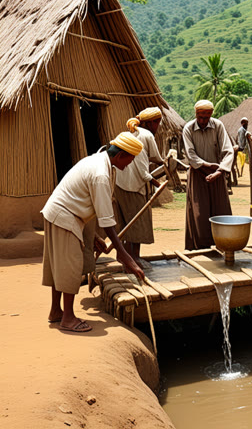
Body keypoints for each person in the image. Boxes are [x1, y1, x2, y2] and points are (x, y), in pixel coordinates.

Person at [42, 132, 145, 333]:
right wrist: (125, 257)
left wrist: (95, 237)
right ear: (120, 155)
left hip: (59, 214)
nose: (129, 165)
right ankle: (68, 318)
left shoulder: (100, 161)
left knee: (59, 265)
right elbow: (107, 220)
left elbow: (86, 202)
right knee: (70, 266)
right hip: (64, 217)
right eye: (130, 160)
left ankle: (56, 311)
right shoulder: (101, 174)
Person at [115, 107, 164, 267]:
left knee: (125, 222)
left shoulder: (128, 134)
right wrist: (160, 180)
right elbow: (154, 160)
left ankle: (124, 256)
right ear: (151, 122)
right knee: (137, 222)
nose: (158, 126)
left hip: (119, 184)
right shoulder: (146, 135)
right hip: (135, 185)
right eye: (157, 123)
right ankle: (133, 258)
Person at [183, 100, 234, 250]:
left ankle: (222, 245)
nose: (203, 121)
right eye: (200, 117)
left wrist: (219, 171)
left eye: (206, 117)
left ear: (211, 114)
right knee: (199, 213)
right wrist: (206, 165)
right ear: (196, 114)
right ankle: (200, 248)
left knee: (221, 210)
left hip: (217, 174)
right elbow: (190, 154)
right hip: (197, 173)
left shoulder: (218, 125)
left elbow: (228, 150)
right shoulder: (189, 128)